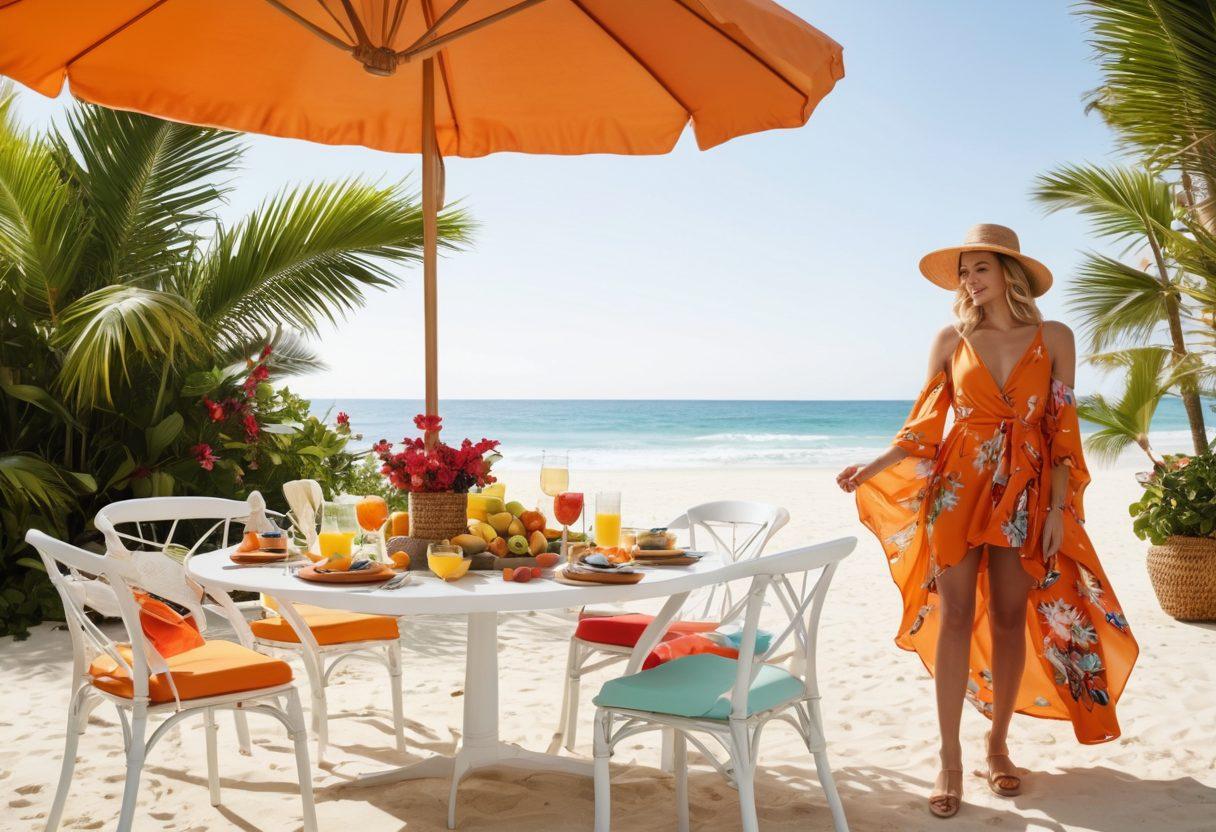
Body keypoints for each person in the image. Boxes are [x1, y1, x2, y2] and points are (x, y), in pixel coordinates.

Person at [836, 224, 1138, 819]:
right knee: (953, 617)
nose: (970, 282)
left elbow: (1062, 430)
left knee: (1006, 617)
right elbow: (924, 424)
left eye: (980, 269)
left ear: (1010, 275)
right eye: (964, 272)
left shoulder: (1054, 337)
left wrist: (1057, 508)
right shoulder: (951, 339)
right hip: (957, 489)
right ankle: (949, 758)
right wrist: (876, 463)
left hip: (1026, 493)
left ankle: (997, 745)